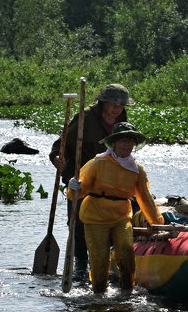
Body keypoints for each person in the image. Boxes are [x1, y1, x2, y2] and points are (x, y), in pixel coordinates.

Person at [67, 122, 162, 294]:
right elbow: (77, 193)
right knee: (99, 259)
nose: (127, 145)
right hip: (95, 216)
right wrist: (73, 187)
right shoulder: (98, 162)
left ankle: (127, 290)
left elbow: (145, 198)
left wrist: (157, 223)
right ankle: (98, 292)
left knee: (126, 249)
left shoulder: (137, 170)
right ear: (114, 143)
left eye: (130, 141)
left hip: (121, 216)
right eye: (123, 141)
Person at [49, 83, 132, 273]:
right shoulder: (84, 117)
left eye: (120, 105)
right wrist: (56, 157)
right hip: (80, 178)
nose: (116, 108)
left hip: (107, 179)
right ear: (103, 103)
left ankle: (106, 259)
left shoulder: (121, 119)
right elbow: (61, 143)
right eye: (112, 104)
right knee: (77, 223)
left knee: (112, 220)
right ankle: (80, 263)